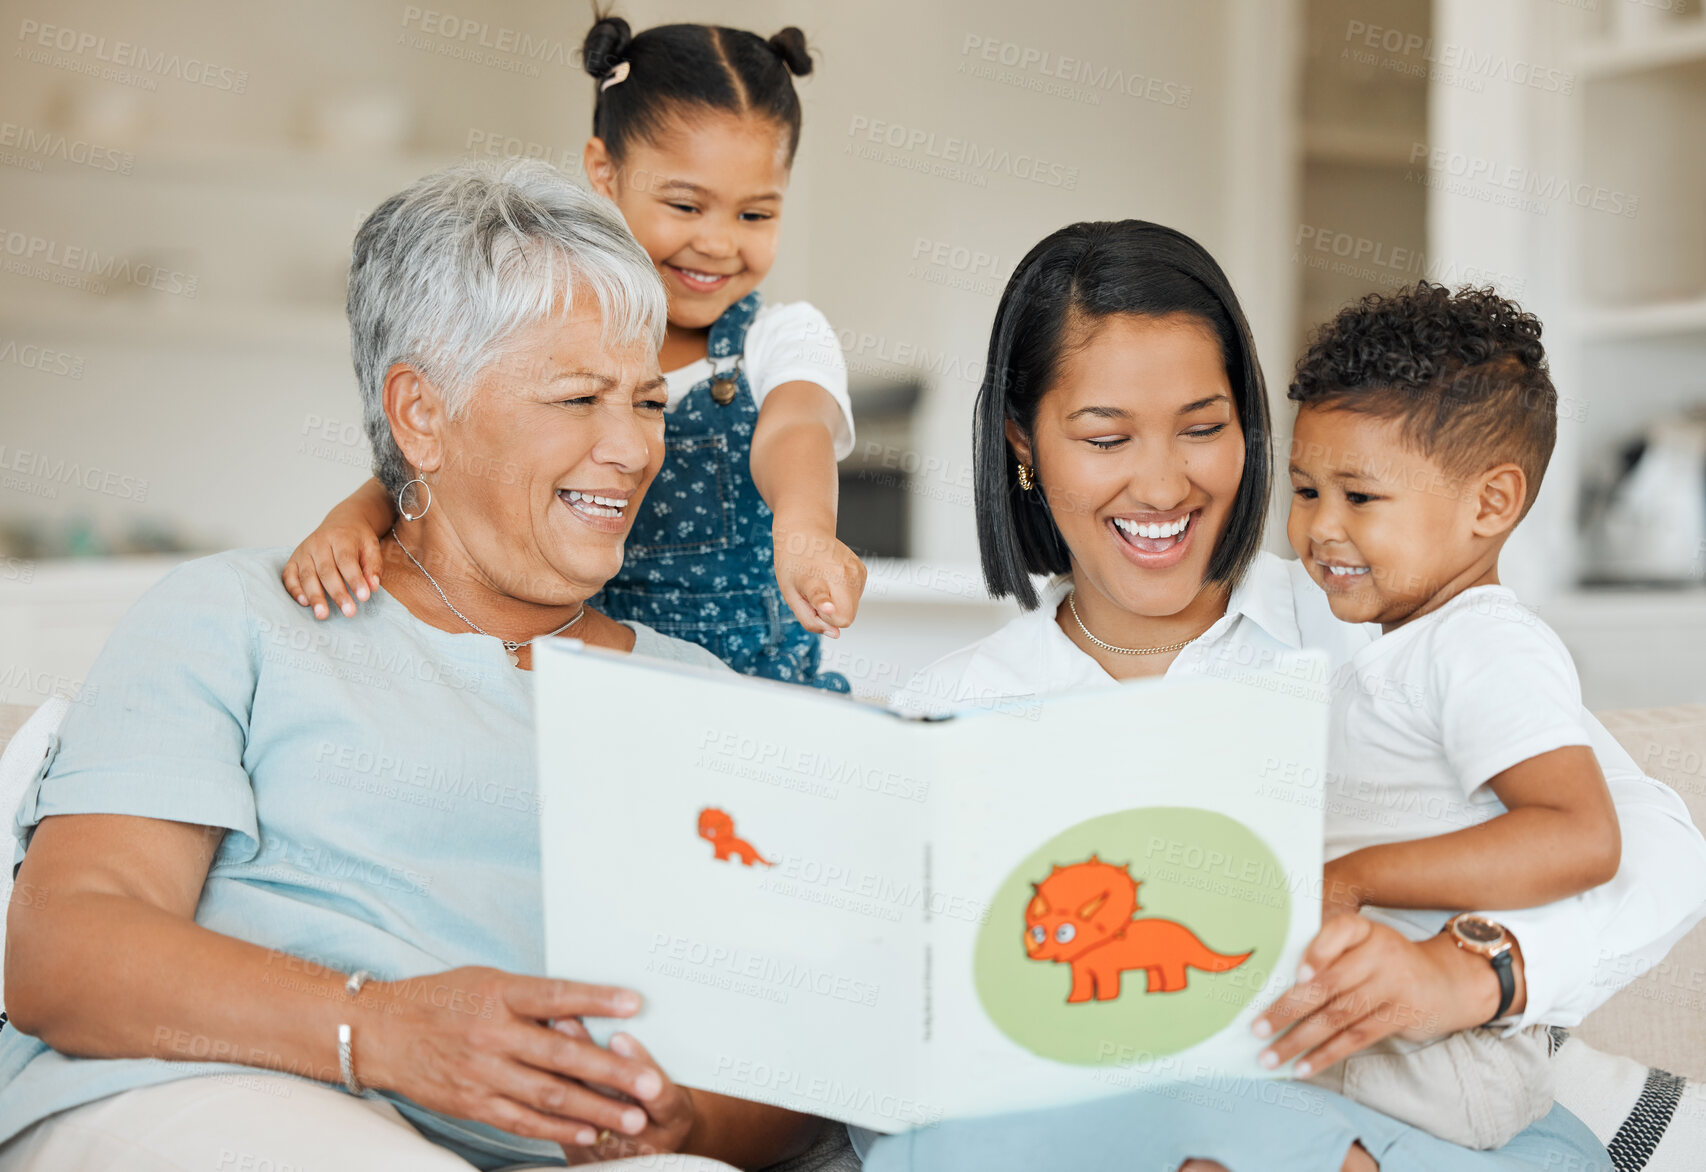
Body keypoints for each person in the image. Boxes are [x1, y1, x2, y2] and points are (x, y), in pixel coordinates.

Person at [0, 161, 824, 1171]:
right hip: (213, 1094)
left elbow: (801, 1054)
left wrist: (688, 1122)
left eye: (647, 402)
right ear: (421, 415)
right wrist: (380, 1029)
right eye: (577, 397)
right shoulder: (238, 615)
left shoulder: (704, 701)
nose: (629, 447)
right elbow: (65, 952)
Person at [879, 220, 1706, 1170]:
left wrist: (1481, 971)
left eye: (1203, 428)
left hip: (1407, 1106)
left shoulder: (1373, 623)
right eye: (1106, 437)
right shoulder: (952, 712)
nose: (1162, 485)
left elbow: (1654, 846)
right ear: (1024, 443)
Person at [282, 15, 864, 692]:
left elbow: (796, 428)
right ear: (603, 172)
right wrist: (355, 518)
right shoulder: (554, 324)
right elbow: (455, 444)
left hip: (749, 689)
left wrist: (804, 527)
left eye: (755, 215)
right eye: (685, 205)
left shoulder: (780, 337)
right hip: (589, 678)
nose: (718, 243)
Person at [1283, 284, 1624, 1148]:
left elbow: (1580, 837)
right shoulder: (1403, 652)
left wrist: (1354, 876)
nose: (1320, 528)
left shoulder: (1483, 645)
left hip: (1438, 1067)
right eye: (1305, 488)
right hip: (1376, 1050)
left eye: (1359, 497)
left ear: (1490, 504)